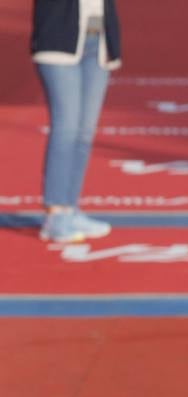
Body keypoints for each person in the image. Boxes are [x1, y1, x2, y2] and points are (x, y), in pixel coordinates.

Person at [30, 0, 121, 244]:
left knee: (84, 132)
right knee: (66, 128)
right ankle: (56, 214)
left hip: (98, 41)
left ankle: (70, 207)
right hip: (59, 40)